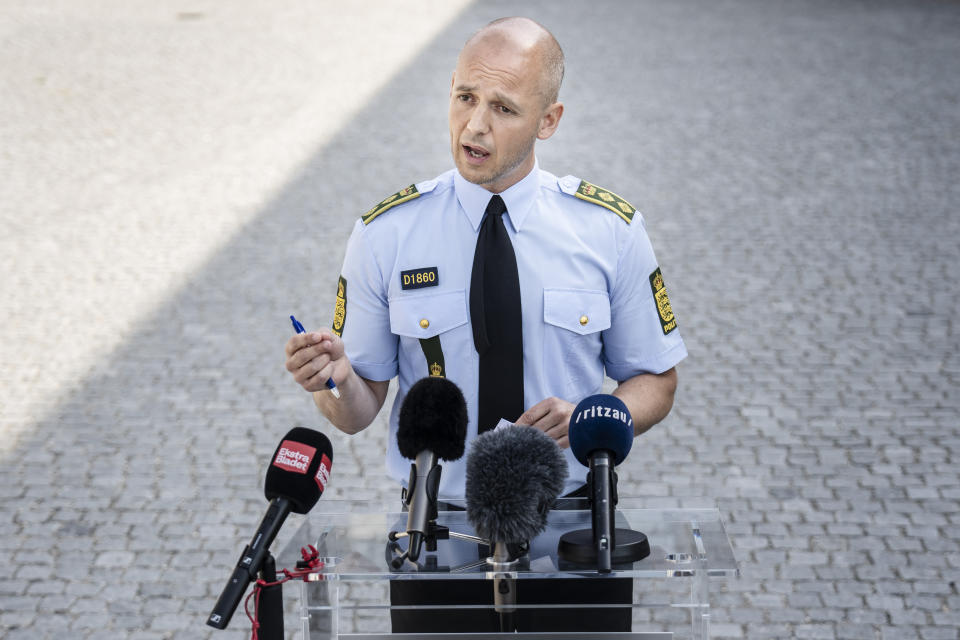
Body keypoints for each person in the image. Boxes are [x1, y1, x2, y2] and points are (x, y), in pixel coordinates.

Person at [285, 16, 688, 634]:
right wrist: (330, 380)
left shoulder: (609, 230)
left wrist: (594, 420)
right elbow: (359, 410)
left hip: (577, 535)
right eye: (465, 97)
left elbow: (656, 381)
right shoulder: (386, 234)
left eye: (503, 107)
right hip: (434, 534)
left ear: (548, 121)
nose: (475, 125)